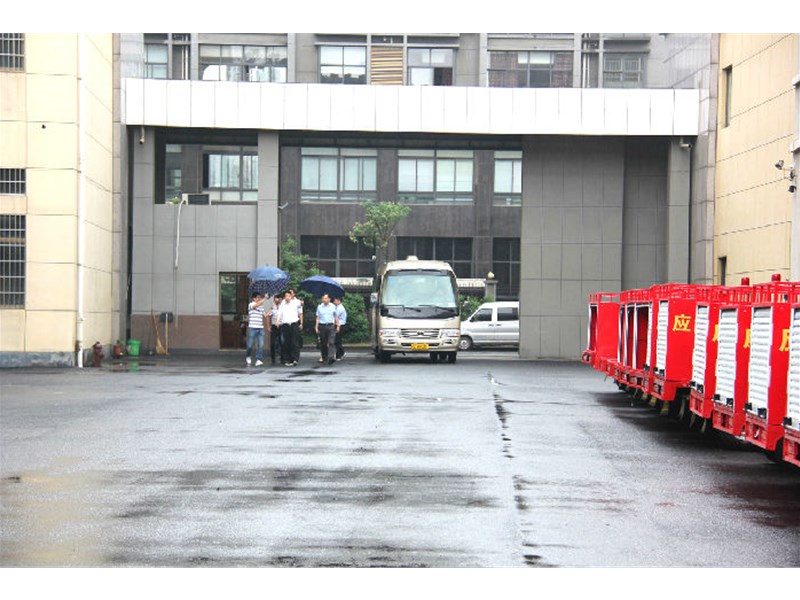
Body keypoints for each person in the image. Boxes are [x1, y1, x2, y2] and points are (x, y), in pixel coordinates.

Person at [276, 289, 302, 366]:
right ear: (284, 297)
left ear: (291, 296)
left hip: (294, 324)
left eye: (289, 296)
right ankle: (287, 359)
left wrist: (302, 303)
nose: (287, 297)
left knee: (294, 342)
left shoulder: (295, 302)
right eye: (286, 296)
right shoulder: (282, 304)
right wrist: (277, 321)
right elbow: (279, 313)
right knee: (286, 343)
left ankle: (295, 359)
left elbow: (301, 305)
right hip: (285, 325)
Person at [315, 294, 339, 365]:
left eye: (325, 298)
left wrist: (338, 325)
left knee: (331, 341)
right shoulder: (319, 307)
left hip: (331, 325)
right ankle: (324, 356)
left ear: (329, 299)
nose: (324, 300)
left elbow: (336, 316)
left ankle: (331, 357)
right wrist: (316, 326)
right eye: (323, 298)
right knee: (323, 342)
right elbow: (318, 317)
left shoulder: (333, 306)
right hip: (322, 326)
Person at [245, 292, 266, 366]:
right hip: (252, 327)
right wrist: (265, 298)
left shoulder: (261, 307)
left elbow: (265, 315)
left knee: (261, 344)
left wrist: (271, 309)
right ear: (253, 298)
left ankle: (258, 359)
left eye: (260, 297)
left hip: (260, 328)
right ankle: (248, 356)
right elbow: (256, 305)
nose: (259, 298)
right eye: (257, 297)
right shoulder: (251, 304)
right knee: (250, 345)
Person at [267, 295, 282, 364]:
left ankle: (282, 357)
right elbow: (268, 316)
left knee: (282, 342)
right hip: (274, 326)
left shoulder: (283, 306)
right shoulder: (272, 307)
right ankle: (273, 357)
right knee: (272, 343)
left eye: (278, 298)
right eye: (276, 298)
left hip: (282, 326)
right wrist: (268, 326)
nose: (277, 299)